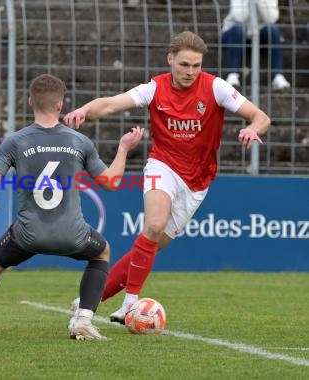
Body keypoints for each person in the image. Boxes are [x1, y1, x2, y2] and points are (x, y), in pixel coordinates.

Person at [64, 31, 271, 324]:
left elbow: (261, 116)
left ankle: (92, 299)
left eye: (196, 66)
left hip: (198, 181)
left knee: (151, 243)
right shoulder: (154, 88)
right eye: (184, 64)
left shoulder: (216, 88)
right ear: (170, 59)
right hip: (163, 165)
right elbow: (111, 103)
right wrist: (85, 109)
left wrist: (253, 128)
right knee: (155, 224)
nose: (190, 72)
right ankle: (130, 304)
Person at [0, 74, 144, 341]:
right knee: (102, 252)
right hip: (73, 235)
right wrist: (123, 149)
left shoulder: (15, 141)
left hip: (27, 235)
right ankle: (83, 320)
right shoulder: (79, 142)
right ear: (60, 105)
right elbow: (110, 183)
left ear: (30, 102)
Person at [222, 0, 291, 90]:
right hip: (234, 33)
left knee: (273, 30)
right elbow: (238, 17)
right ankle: (232, 74)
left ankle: (277, 76)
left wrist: (259, 2)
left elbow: (272, 19)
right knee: (238, 28)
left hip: (259, 33)